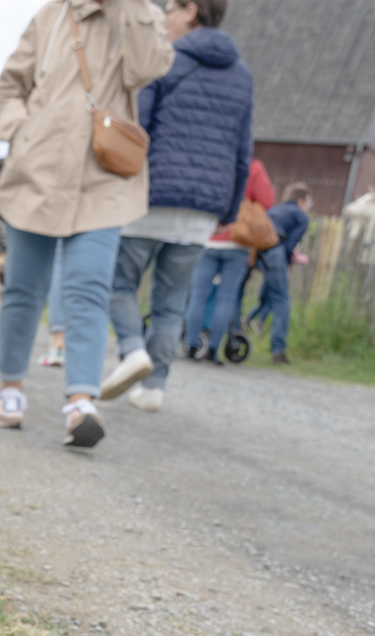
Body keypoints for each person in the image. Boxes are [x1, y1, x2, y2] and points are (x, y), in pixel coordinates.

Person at [0, 0, 172, 446]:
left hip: (102, 179)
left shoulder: (139, 12)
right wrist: (20, 130)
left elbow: (149, 67)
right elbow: (9, 86)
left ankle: (81, 402)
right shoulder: (51, 15)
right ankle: (10, 389)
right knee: (23, 288)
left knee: (88, 287)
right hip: (39, 170)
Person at [100, 0, 252, 413]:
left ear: (191, 11)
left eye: (170, 7)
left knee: (117, 284)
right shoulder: (242, 76)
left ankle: (133, 350)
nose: (163, 15)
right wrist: (228, 208)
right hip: (202, 210)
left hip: (151, 196)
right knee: (171, 303)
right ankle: (154, 389)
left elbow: (137, 130)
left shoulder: (163, 60)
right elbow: (243, 151)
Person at [183, 156, 271, 363]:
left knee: (198, 295)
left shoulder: (214, 162)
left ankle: (191, 345)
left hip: (209, 237)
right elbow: (267, 200)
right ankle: (213, 349)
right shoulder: (253, 167)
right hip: (238, 241)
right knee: (227, 297)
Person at [248, 180, 311, 363]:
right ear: (301, 200)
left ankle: (248, 321)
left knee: (268, 290)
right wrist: (288, 262)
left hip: (254, 249)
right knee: (282, 299)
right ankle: (278, 350)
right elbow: (289, 245)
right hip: (274, 250)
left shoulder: (275, 210)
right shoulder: (300, 216)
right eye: (309, 202)